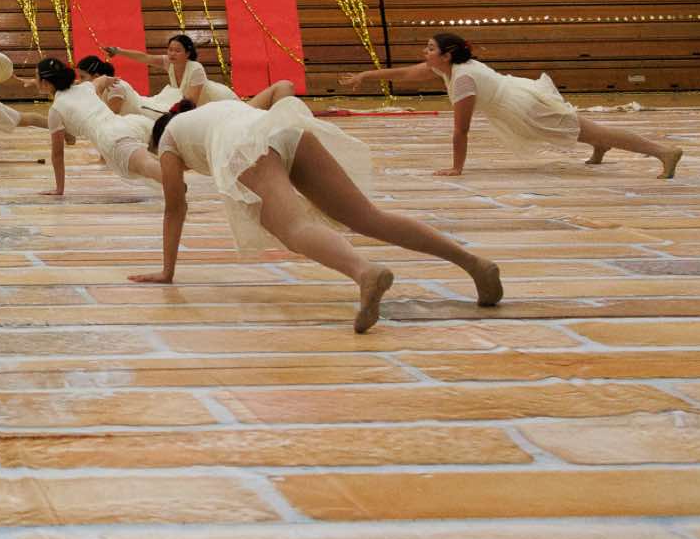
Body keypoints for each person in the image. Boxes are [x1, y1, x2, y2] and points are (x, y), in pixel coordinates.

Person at [136, 99, 504, 334]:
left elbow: (175, 205)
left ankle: (364, 271)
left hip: (243, 146)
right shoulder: (213, 109)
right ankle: (474, 264)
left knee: (295, 228)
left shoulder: (168, 139)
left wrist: (167, 271)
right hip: (283, 128)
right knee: (368, 216)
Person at [339, 31, 683, 178]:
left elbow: (461, 130)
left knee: (592, 130)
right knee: (584, 130)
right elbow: (407, 74)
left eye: (430, 49)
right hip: (518, 97)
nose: (424, 53)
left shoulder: (463, 78)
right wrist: (366, 76)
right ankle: (599, 146)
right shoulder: (449, 68)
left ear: (446, 55)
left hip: (527, 106)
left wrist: (457, 168)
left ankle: (663, 152)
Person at [37, 56, 162, 194]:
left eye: (36, 77)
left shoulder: (55, 110)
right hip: (129, 124)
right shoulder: (86, 87)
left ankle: (175, 183)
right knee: (152, 161)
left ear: (45, 82)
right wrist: (111, 80)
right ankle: (174, 179)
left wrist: (59, 189)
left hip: (110, 138)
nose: (35, 81)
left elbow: (58, 155)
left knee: (146, 165)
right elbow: (102, 79)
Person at [105, 34, 296, 109]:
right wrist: (119, 51)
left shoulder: (195, 68)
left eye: (177, 51)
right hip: (205, 108)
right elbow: (144, 57)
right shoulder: (168, 62)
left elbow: (190, 102)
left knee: (251, 115)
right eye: (170, 50)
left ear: (188, 53)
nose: (172, 54)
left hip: (222, 102)